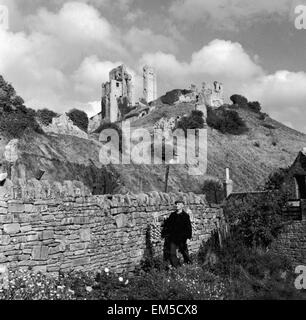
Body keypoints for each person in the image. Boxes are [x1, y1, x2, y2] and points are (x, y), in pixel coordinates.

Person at [161, 200, 192, 267]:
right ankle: (176, 266)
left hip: (182, 237)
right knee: (172, 253)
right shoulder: (172, 215)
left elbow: (189, 227)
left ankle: (188, 263)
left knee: (184, 252)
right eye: (176, 204)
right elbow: (168, 225)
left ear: (182, 205)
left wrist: (188, 238)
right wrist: (165, 220)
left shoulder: (185, 216)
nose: (176, 205)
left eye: (178, 204)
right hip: (173, 237)